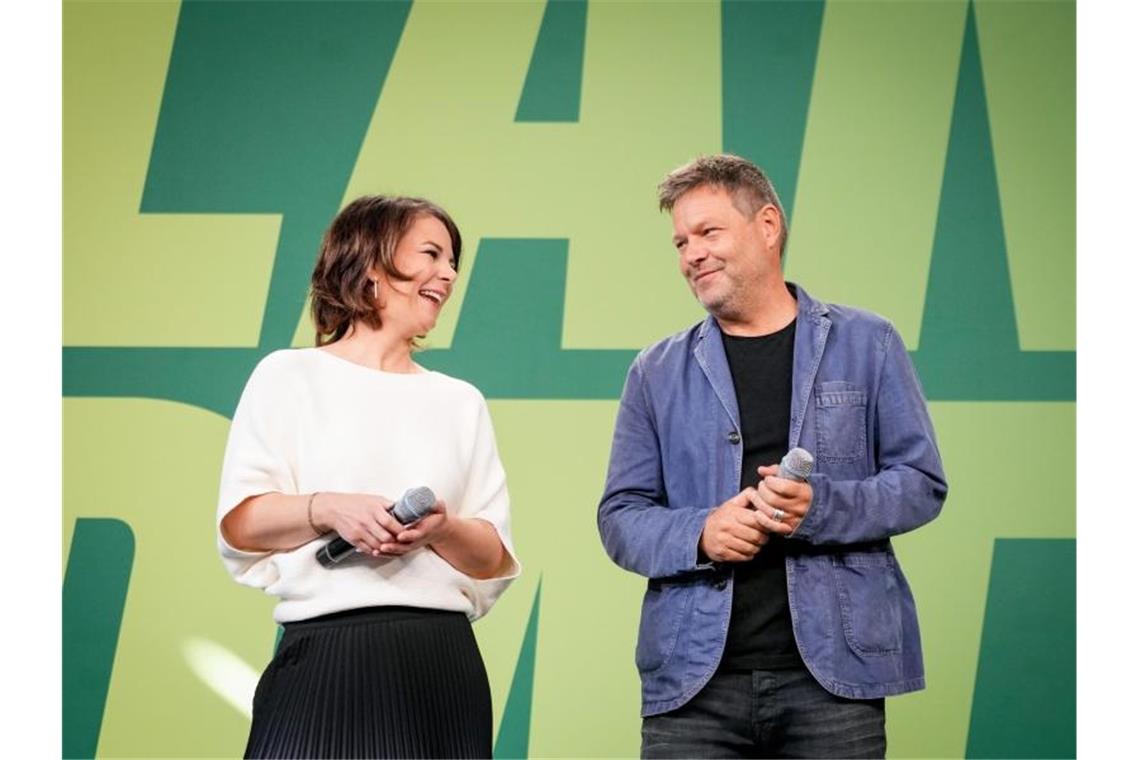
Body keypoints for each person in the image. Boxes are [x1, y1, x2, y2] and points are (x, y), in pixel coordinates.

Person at [597, 154, 948, 758]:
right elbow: (620, 516)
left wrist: (821, 506)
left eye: (708, 232)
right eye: (681, 242)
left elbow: (920, 483)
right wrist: (702, 533)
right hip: (693, 685)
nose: (691, 255)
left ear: (767, 226)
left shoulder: (869, 343)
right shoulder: (655, 371)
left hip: (834, 683)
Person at [216, 195, 520, 759]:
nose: (448, 275)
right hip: (326, 658)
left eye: (454, 262)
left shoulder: (460, 401)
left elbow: (493, 557)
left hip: (441, 667)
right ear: (371, 262)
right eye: (432, 253)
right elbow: (241, 524)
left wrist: (440, 529)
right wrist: (327, 508)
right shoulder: (289, 376)